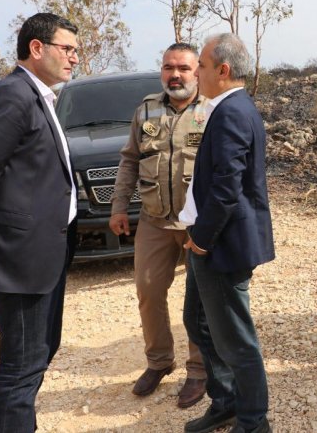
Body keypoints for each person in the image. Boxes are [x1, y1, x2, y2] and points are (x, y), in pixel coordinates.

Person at [0, 13, 79, 431]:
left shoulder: (38, 96)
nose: (74, 58)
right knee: (21, 366)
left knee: (37, 355)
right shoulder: (12, 96)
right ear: (37, 48)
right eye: (67, 49)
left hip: (43, 253)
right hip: (19, 261)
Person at [180, 33, 274, 433]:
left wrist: (202, 238)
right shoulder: (228, 107)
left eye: (200, 65)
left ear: (223, 69)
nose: (195, 73)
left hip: (220, 244)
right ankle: (227, 402)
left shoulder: (232, 111)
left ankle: (253, 421)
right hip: (209, 239)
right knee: (199, 321)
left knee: (235, 338)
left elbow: (227, 187)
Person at [110, 42, 209, 407]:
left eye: (183, 68)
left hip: (198, 223)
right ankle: (159, 361)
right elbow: (129, 161)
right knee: (149, 290)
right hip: (154, 220)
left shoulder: (212, 109)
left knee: (200, 298)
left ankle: (199, 370)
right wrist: (119, 207)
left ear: (197, 71)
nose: (175, 75)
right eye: (168, 67)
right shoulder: (147, 109)